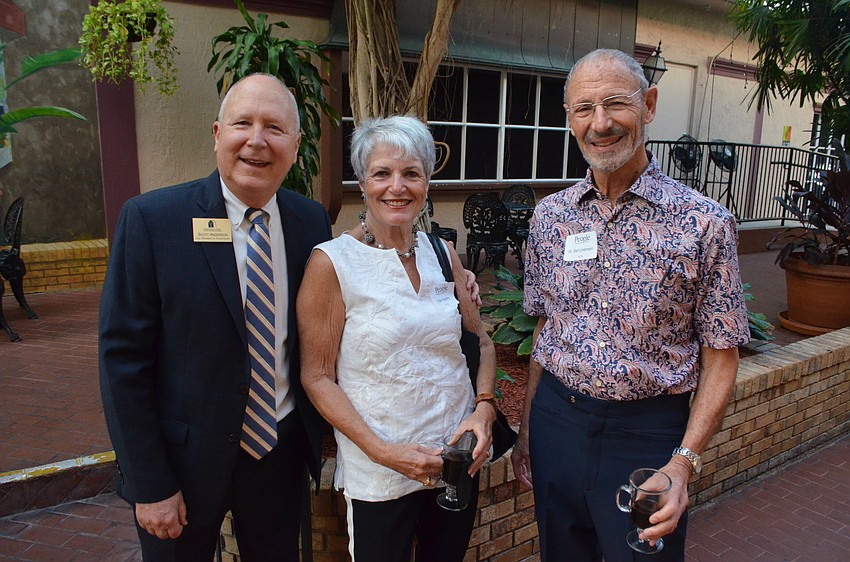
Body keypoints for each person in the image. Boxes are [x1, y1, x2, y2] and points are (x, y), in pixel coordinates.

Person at [510, 49, 749, 562]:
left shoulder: (704, 223)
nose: (600, 124)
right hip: (557, 423)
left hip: (646, 439)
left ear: (649, 105)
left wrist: (683, 463)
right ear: (569, 118)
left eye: (616, 103)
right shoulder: (551, 217)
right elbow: (546, 327)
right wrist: (529, 427)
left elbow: (721, 355)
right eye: (583, 108)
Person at [98, 74, 333, 561]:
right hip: (181, 466)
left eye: (274, 127)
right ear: (216, 134)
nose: (256, 140)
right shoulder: (152, 220)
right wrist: (149, 482)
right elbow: (123, 362)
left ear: (294, 143)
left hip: (278, 455)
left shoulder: (310, 221)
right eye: (242, 123)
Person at [296, 115, 496, 562]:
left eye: (411, 173)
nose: (397, 187)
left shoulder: (442, 253)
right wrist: (384, 452)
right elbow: (316, 377)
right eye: (382, 173)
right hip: (381, 469)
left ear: (427, 182)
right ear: (362, 182)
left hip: (457, 458)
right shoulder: (333, 263)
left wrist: (483, 412)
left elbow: (481, 344)